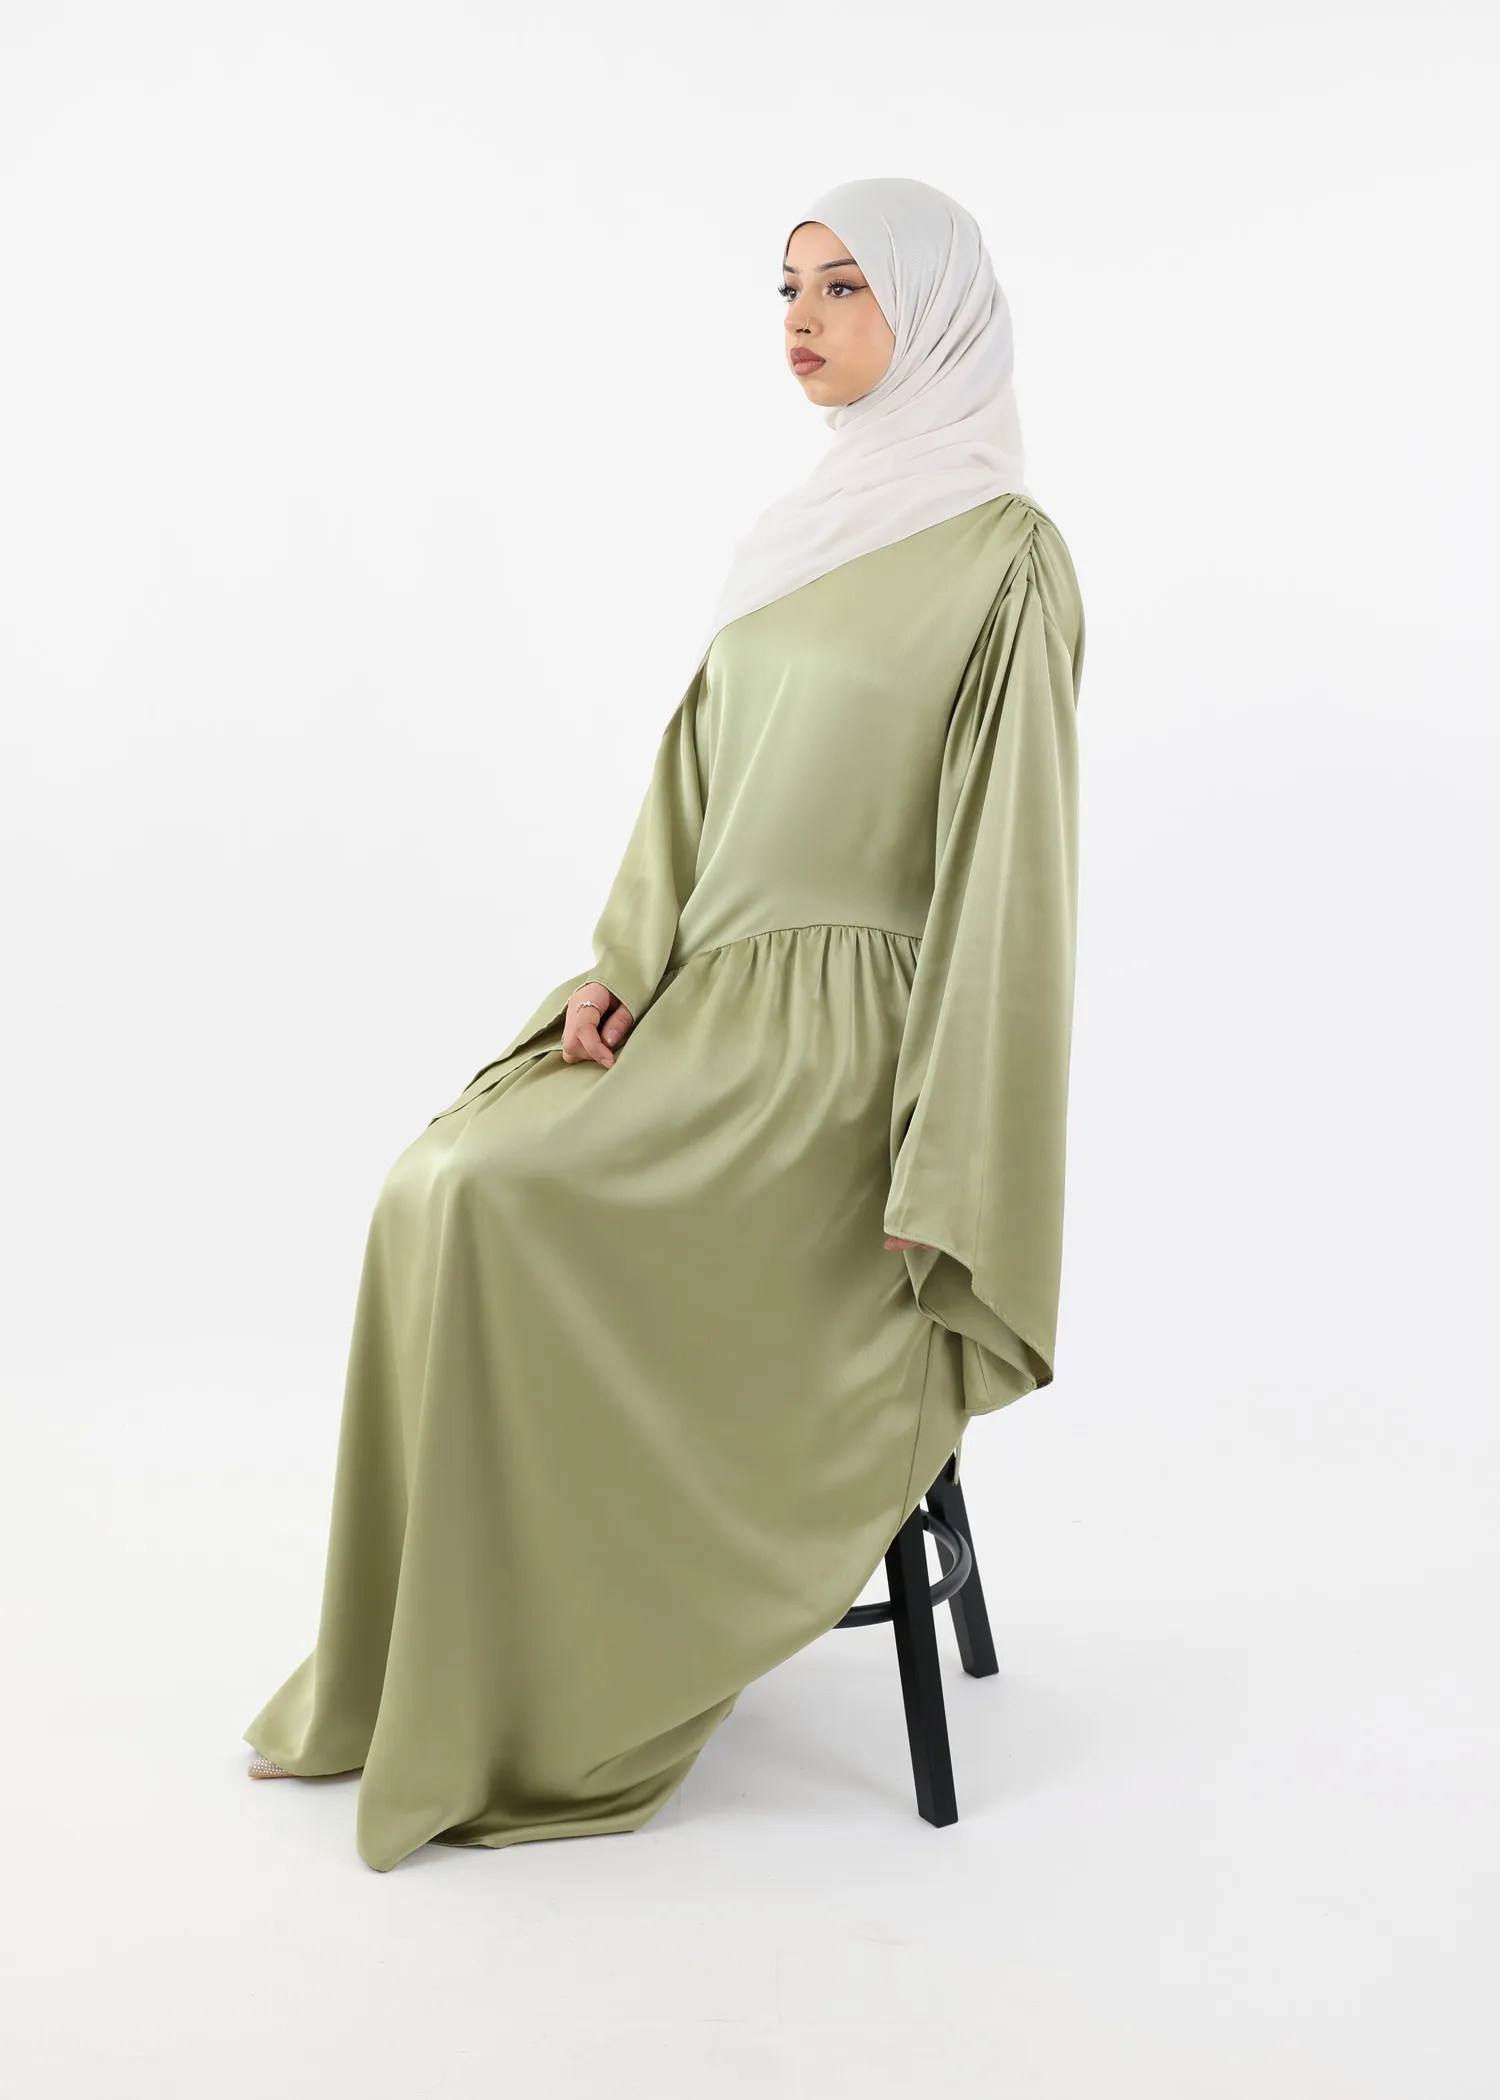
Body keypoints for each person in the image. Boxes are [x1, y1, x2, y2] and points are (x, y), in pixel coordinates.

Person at [243, 175, 1086, 1873]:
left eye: (844, 287)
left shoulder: (1009, 560)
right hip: (707, 1007)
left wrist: (951, 1141)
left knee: (501, 1204)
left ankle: (530, 1697)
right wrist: (624, 961)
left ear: (935, 311)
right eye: (788, 287)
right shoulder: (797, 539)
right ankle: (434, 1677)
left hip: (850, 1066)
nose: (803, 319)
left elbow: (1013, 883)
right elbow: (695, 789)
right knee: (435, 1187)